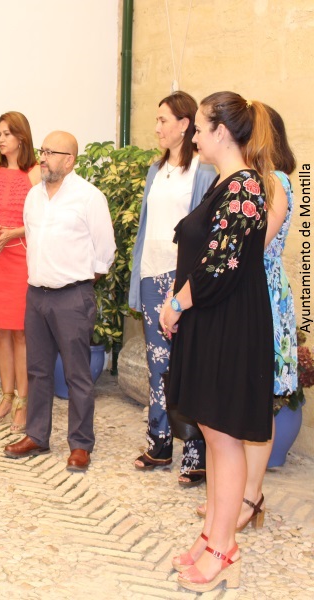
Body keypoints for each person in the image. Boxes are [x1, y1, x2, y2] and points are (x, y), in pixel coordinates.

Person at [160, 92, 276, 592]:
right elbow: (199, 253)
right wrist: (176, 294)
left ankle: (223, 547)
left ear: (222, 133)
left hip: (230, 324)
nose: (196, 136)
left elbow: (218, 267)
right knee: (211, 433)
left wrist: (178, 302)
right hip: (212, 320)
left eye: (202, 128)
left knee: (225, 440)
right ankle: (211, 535)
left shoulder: (245, 187)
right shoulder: (224, 184)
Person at [196, 105, 298, 531]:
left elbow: (253, 245)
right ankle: (230, 497)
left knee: (260, 401)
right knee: (235, 405)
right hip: (242, 290)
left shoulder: (273, 183)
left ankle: (250, 497)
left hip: (264, 295)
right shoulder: (244, 182)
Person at [4, 131, 115, 471]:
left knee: (77, 374)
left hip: (72, 297)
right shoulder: (33, 197)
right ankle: (37, 436)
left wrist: (79, 282)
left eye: (51, 152)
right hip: (36, 294)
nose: (43, 157)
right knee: (37, 371)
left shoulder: (89, 198)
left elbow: (105, 251)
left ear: (70, 160)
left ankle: (81, 444)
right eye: (43, 150)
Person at [128, 92, 217, 486]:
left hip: (181, 281)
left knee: (187, 366)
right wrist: (138, 277)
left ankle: (195, 452)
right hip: (152, 275)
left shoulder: (202, 171)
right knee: (157, 364)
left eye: (164, 120)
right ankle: (160, 441)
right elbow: (147, 229)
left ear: (185, 125)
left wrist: (187, 287)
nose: (158, 127)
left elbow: (203, 232)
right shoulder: (156, 170)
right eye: (157, 119)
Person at [0, 112, 40, 433]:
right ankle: (5, 396)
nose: (0, 139)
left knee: (21, 333)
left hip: (20, 260)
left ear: (21, 138)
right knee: (1, 331)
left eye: (6, 133)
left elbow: (40, 221)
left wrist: (12, 233)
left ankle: (23, 403)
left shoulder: (35, 174)